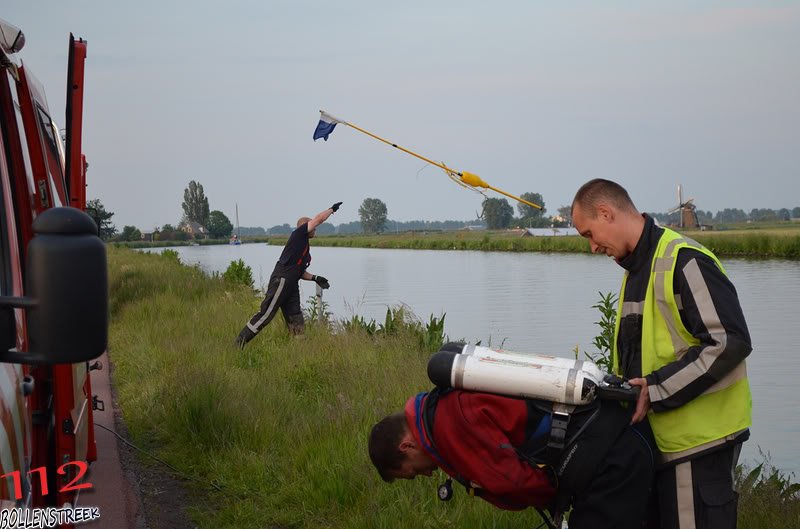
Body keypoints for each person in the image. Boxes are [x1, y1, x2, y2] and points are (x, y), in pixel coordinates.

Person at [571, 179, 752, 529]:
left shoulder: (684, 260)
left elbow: (729, 341)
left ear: (606, 213)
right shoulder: (638, 268)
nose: (592, 247)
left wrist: (654, 390)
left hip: (699, 449)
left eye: (590, 234)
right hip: (657, 449)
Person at [369, 388, 655, 529]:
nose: (427, 475)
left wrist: (551, 490)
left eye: (413, 472)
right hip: (616, 439)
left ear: (406, 446)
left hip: (612, 459)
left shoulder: (448, 426)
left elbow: (514, 485)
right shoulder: (441, 405)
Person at [235, 202, 342, 348]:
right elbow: (318, 219)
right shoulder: (298, 234)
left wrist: (315, 278)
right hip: (282, 280)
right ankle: (239, 343)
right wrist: (331, 210)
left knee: (295, 318)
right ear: (305, 227)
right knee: (267, 313)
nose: (315, 229)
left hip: (291, 283)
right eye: (313, 227)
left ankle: (299, 351)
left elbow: (299, 271)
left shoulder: (304, 245)